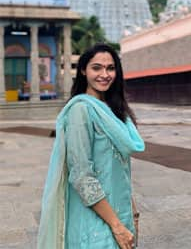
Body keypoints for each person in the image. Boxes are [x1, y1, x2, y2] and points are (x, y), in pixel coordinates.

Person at [38, 43, 145, 249]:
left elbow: (119, 168)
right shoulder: (81, 111)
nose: (104, 74)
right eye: (97, 68)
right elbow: (81, 176)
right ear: (83, 70)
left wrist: (132, 211)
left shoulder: (114, 110)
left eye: (110, 68)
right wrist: (117, 227)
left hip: (119, 212)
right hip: (95, 221)